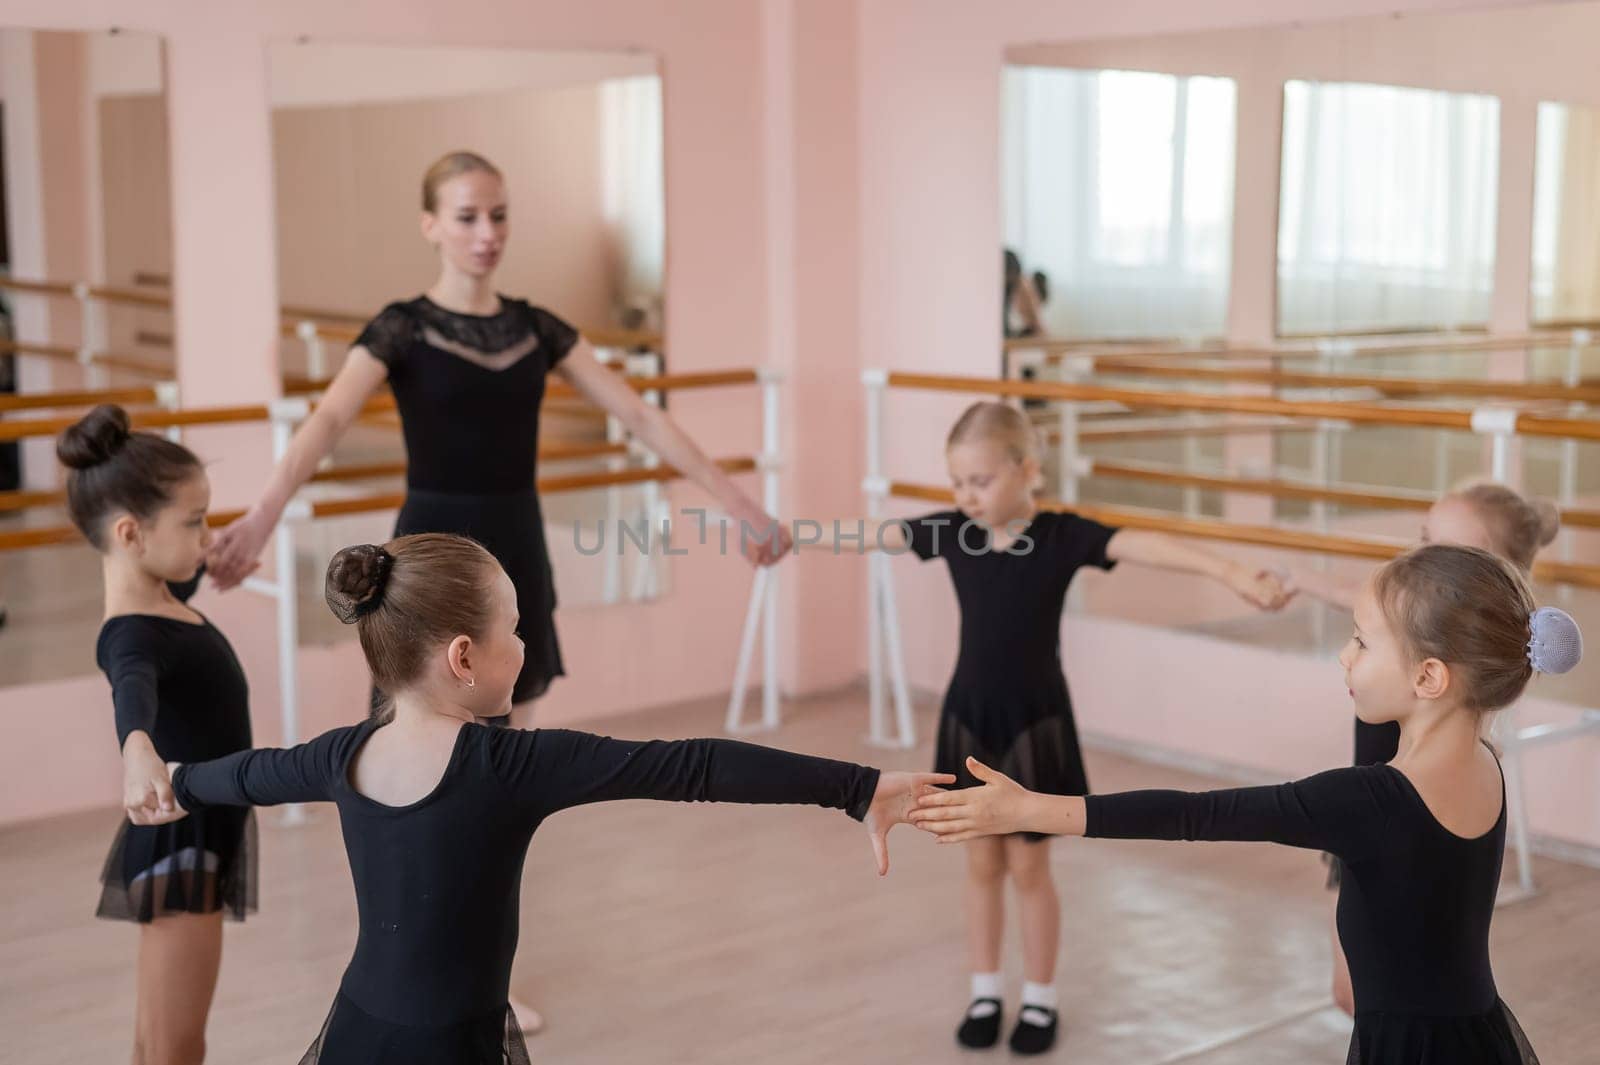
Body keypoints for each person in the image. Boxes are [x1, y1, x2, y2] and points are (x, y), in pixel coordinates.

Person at [132, 533, 950, 1064]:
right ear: (463, 655)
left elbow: (247, 773)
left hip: (357, 1034)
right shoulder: (512, 764)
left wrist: (171, 779)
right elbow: (691, 766)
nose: (525, 646)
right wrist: (858, 786)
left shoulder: (342, 755)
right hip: (453, 1046)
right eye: (515, 629)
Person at [914, 543, 1583, 1065]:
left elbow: (1193, 814)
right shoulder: (1486, 764)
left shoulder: (1370, 800)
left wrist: (1031, 808)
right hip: (1477, 1035)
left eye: (1361, 640)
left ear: (1429, 676)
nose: (1344, 657)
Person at [805, 400, 1289, 1054]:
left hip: (1037, 723)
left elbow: (1143, 543)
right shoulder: (955, 532)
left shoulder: (1062, 535)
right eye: (958, 484)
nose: (966, 496)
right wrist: (787, 535)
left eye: (980, 481)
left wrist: (1231, 571)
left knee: (1030, 866)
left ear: (1027, 468)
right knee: (979, 863)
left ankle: (1039, 997)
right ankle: (984, 988)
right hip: (969, 719)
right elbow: (867, 533)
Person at [1282, 480, 1560, 1014]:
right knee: (1356, 991)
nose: (1421, 558)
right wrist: (1304, 580)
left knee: (1374, 993)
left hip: (1401, 836)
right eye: (1424, 538)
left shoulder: (1453, 673)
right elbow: (1365, 600)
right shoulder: (1409, 620)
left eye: (1446, 550)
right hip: (1368, 819)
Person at [60, 404, 256, 1065]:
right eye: (195, 521)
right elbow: (132, 690)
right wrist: (136, 747)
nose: (206, 536)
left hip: (186, 838)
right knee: (176, 1049)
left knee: (154, 1044)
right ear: (130, 532)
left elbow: (192, 569)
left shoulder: (160, 594)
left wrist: (222, 551)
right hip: (184, 845)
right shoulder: (134, 632)